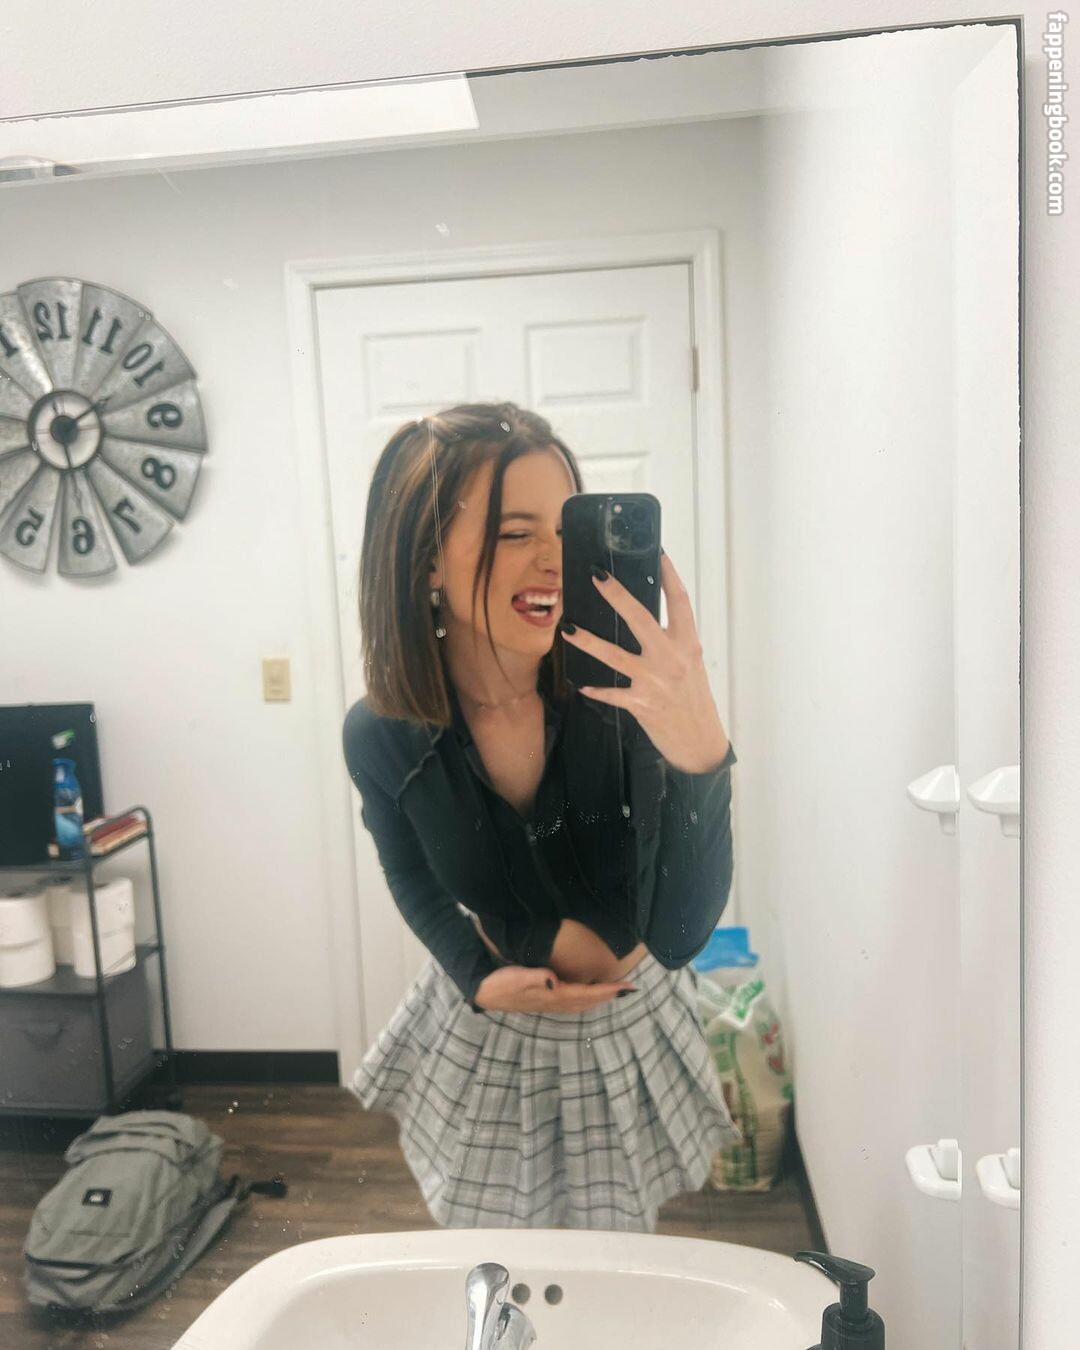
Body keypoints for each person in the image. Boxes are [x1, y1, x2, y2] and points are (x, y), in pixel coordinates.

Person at [342, 401, 742, 1232]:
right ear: (425, 561)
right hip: (497, 1028)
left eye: (565, 530)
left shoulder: (620, 695)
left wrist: (700, 751)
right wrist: (474, 974)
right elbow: (407, 869)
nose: (555, 562)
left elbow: (679, 935)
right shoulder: (383, 734)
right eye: (515, 532)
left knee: (618, 1255)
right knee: (500, 1256)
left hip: (631, 1020)